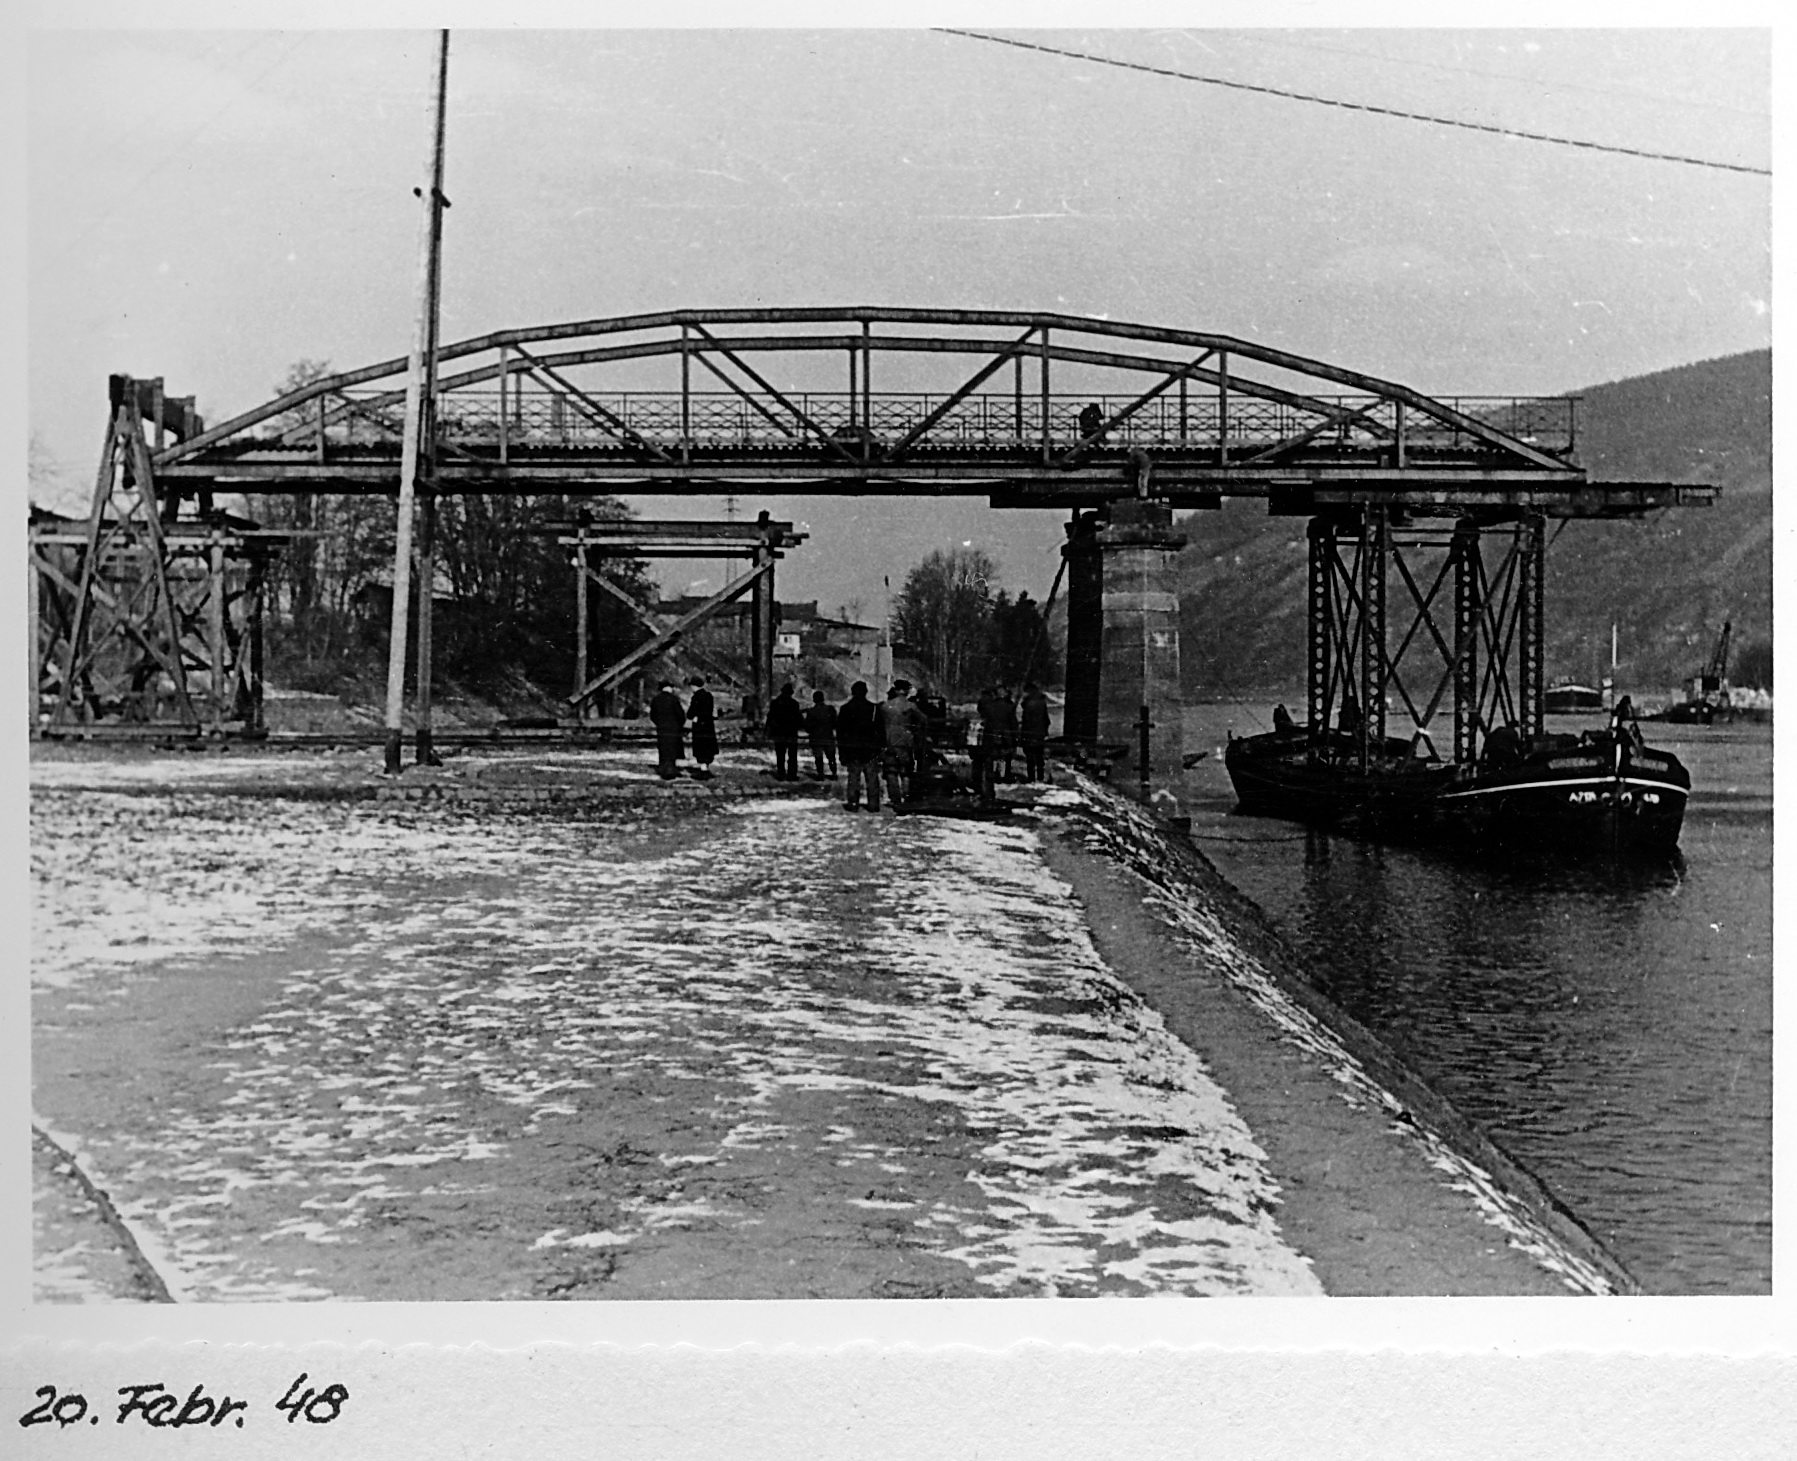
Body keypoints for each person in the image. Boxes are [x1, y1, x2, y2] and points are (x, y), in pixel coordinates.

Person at [876, 679, 930, 808]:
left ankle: (895, 798)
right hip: (906, 741)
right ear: (907, 691)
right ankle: (906, 796)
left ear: (895, 690)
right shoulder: (910, 706)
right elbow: (924, 720)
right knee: (906, 770)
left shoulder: (885, 706)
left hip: (889, 740)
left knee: (891, 771)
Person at [836, 681, 882, 811]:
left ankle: (853, 803)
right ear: (866, 692)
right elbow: (880, 731)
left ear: (852, 692)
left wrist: (842, 753)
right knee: (872, 779)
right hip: (870, 750)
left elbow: (841, 733)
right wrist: (880, 749)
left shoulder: (845, 709)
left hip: (852, 749)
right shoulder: (874, 709)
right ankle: (873, 804)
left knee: (853, 778)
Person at [648, 681, 686, 780]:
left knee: (663, 749)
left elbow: (653, 715)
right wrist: (679, 725)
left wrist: (659, 723)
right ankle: (671, 770)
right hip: (673, 728)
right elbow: (680, 715)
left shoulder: (656, 700)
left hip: (661, 728)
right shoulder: (674, 699)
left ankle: (663, 769)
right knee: (672, 749)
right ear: (669, 688)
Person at [765, 682, 803, 781]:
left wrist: (768, 730)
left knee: (780, 754)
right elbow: (798, 718)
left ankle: (781, 773)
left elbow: (770, 717)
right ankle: (791, 774)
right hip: (791, 732)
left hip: (779, 731)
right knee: (792, 755)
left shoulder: (775, 703)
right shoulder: (794, 703)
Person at [1019, 682, 1051, 783]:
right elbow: (1046, 719)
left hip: (1029, 733)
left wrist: (1022, 734)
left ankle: (1031, 777)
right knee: (1039, 756)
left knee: (1030, 757)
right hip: (1039, 733)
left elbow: (1026, 720)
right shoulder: (1042, 702)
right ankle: (1040, 776)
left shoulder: (1028, 703)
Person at [804, 690, 839, 779]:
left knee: (818, 757)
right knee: (831, 757)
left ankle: (820, 774)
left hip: (816, 738)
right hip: (828, 737)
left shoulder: (811, 712)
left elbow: (807, 727)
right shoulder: (830, 709)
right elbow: (835, 723)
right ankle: (834, 773)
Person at [687, 677, 718, 778]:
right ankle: (706, 768)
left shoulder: (696, 697)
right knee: (708, 747)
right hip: (708, 725)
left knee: (700, 748)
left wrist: (694, 716)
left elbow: (690, 714)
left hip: (699, 726)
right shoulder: (709, 696)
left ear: (693, 686)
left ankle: (703, 770)